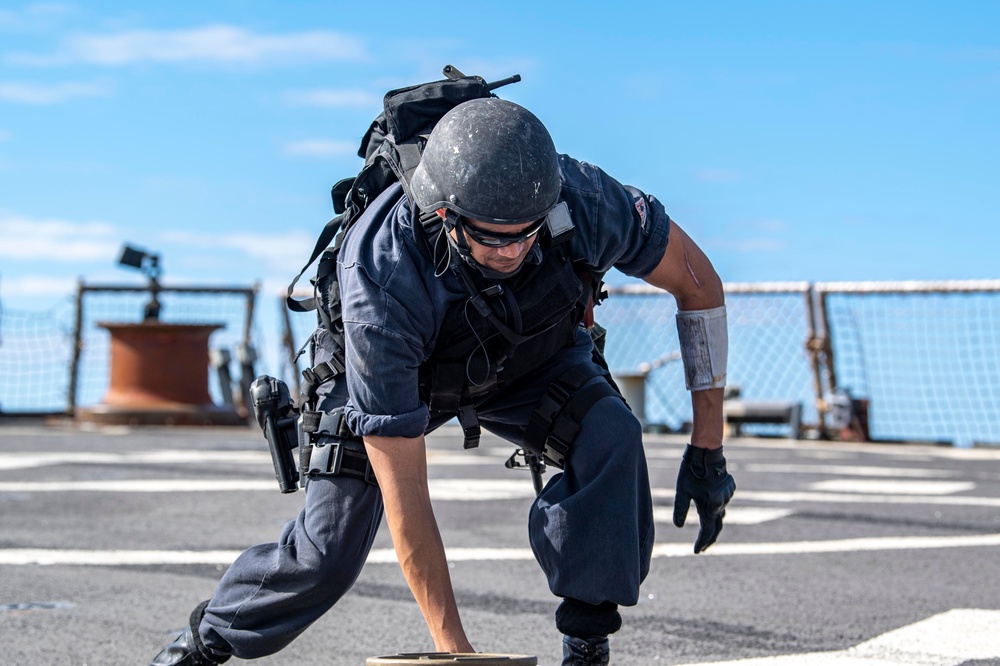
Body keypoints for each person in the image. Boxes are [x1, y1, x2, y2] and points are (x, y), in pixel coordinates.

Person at [150, 96, 735, 666]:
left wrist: (708, 451)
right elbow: (407, 499)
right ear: (446, 216)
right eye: (491, 236)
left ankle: (587, 649)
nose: (512, 250)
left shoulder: (582, 199)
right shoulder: (383, 274)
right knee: (326, 552)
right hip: (397, 374)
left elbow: (699, 286)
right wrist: (455, 652)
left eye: (526, 233)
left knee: (612, 435)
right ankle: (201, 645)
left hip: (521, 357)